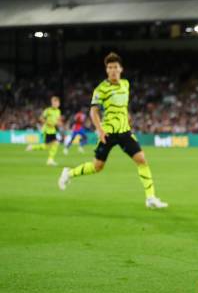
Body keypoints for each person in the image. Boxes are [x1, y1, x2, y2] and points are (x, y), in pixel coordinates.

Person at [58, 52, 168, 209]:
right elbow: (93, 112)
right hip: (108, 132)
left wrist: (127, 117)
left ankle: (150, 198)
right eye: (109, 67)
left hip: (124, 132)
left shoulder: (126, 84)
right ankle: (68, 173)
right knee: (97, 167)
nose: (113, 70)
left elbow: (123, 106)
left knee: (142, 160)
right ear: (106, 70)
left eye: (115, 67)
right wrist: (100, 130)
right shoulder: (101, 89)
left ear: (121, 69)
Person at [26, 95, 63, 166]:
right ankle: (32, 147)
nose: (57, 104)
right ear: (52, 103)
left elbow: (57, 120)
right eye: (55, 103)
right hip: (47, 130)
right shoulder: (48, 110)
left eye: (58, 103)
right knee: (47, 146)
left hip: (53, 130)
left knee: (55, 144)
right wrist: (48, 123)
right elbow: (41, 118)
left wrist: (59, 123)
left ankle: (50, 160)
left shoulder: (58, 111)